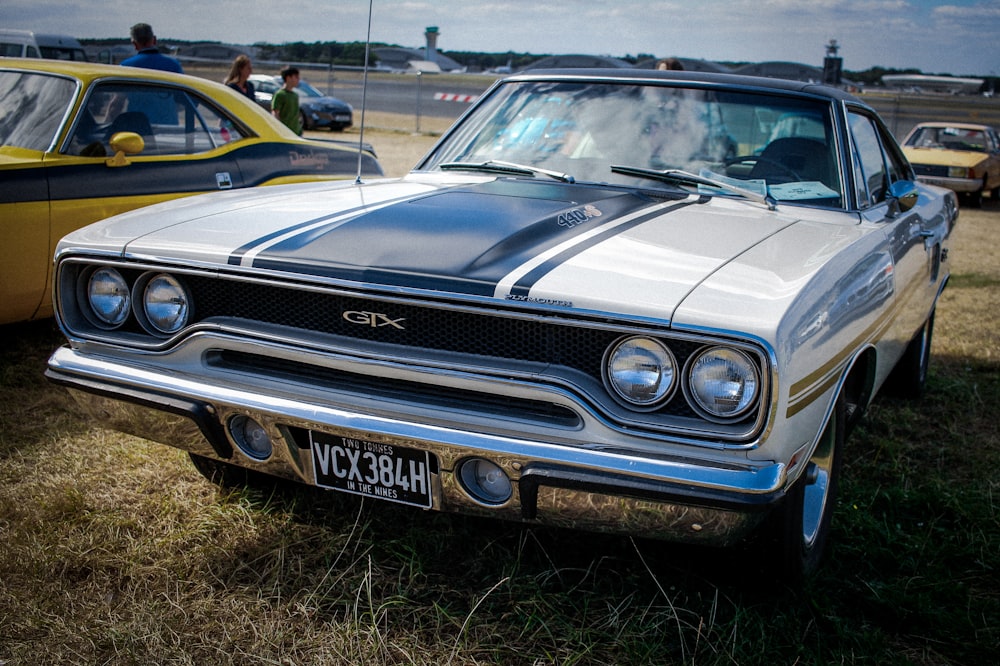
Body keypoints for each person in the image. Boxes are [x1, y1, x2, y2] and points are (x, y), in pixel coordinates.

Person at [272, 66, 302, 135]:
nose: (298, 79)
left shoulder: (295, 95)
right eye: (296, 77)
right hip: (285, 133)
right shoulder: (280, 94)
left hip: (296, 133)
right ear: (288, 78)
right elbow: (275, 113)